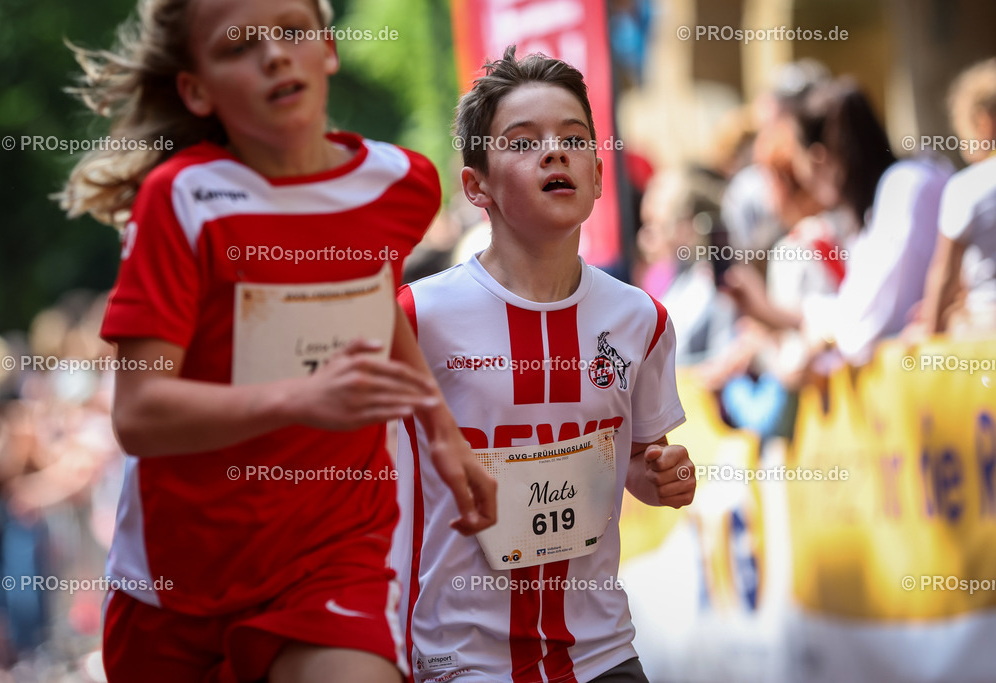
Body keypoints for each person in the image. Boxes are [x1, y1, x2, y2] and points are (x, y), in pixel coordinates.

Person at [56, 0, 496, 681]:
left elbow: (370, 301)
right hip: (177, 587)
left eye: (293, 32)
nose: (274, 55)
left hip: (336, 551)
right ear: (195, 89)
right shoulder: (182, 199)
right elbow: (139, 415)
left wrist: (440, 426)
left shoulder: (399, 183)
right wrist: (301, 397)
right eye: (238, 46)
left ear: (328, 49)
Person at [392, 46, 696, 683]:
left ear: (597, 173)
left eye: (574, 138)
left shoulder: (642, 320)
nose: (555, 152)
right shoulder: (418, 317)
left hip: (603, 654)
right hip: (460, 663)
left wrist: (661, 475)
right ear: (476, 186)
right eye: (522, 141)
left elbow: (641, 459)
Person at [724, 78, 953, 367]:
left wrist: (787, 320)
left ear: (819, 160)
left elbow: (863, 327)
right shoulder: (888, 198)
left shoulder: (904, 187)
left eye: (798, 160)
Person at [920, 57, 996, 336]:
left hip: (987, 322)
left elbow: (945, 273)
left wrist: (930, 328)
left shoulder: (967, 186)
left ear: (983, 121)